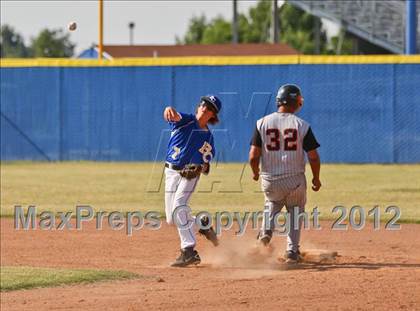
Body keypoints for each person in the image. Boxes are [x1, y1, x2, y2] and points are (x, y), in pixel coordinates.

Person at [249, 84, 321, 264]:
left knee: (272, 203)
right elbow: (313, 157)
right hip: (294, 180)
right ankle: (292, 251)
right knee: (295, 212)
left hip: (270, 179)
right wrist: (316, 178)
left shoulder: (261, 123)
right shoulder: (302, 125)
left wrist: (255, 172)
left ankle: (265, 233)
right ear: (295, 101)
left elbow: (253, 155)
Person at [163, 95, 221, 267]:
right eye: (204, 104)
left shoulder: (208, 139)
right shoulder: (187, 121)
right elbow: (174, 115)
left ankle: (188, 251)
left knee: (179, 206)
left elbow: (206, 163)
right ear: (198, 107)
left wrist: (200, 168)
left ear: (213, 115)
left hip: (189, 176)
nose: (205, 108)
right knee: (171, 219)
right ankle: (202, 224)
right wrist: (169, 108)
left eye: (210, 108)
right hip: (170, 172)